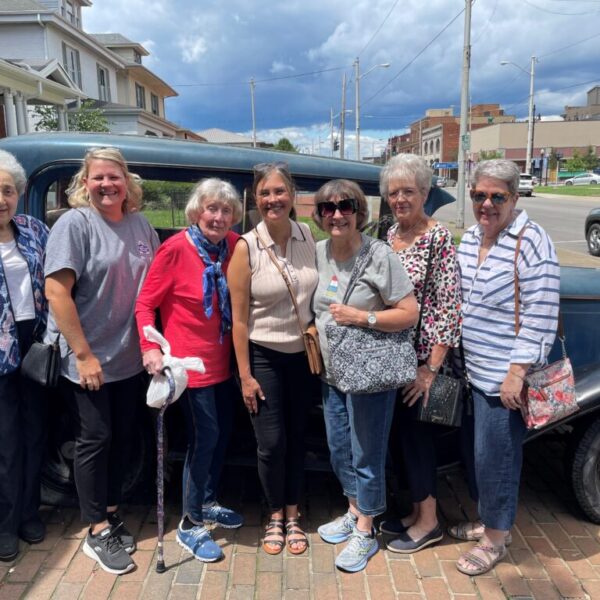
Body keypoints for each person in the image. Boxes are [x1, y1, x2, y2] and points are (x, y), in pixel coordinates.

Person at [44, 147, 159, 575]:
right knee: (94, 442)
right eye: (98, 178)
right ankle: (94, 532)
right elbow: (57, 292)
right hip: (89, 360)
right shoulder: (76, 224)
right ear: (85, 183)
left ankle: (109, 515)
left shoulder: (140, 224)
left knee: (124, 440)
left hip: (131, 358)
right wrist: (84, 354)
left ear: (127, 182)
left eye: (114, 177)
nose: (107, 185)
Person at [452, 159, 559, 575]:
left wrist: (517, 371)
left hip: (504, 376)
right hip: (472, 371)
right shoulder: (471, 238)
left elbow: (541, 310)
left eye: (498, 196)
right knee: (478, 455)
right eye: (479, 195)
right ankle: (488, 519)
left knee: (497, 456)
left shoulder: (531, 240)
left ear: (515, 198)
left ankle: (496, 537)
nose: (487, 204)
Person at [312, 179, 419, 572]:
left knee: (366, 454)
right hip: (332, 372)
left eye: (346, 206)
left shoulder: (379, 255)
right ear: (320, 215)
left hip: (369, 373)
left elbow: (409, 313)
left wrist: (363, 316)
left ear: (359, 211)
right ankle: (355, 510)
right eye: (328, 207)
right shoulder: (320, 252)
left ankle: (367, 529)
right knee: (339, 448)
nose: (337, 214)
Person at [135, 178, 243, 563]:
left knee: (222, 434)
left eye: (226, 210)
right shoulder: (176, 249)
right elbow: (145, 304)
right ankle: (190, 523)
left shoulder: (233, 247)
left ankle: (208, 500)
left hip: (224, 363)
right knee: (205, 439)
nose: (218, 216)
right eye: (211, 208)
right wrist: (150, 348)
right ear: (196, 211)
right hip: (188, 367)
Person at [228, 162, 318, 556]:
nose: (273, 200)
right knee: (271, 443)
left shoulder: (308, 235)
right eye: (265, 193)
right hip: (263, 356)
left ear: (293, 195)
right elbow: (239, 318)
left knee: (298, 439)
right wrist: (245, 376)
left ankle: (294, 515)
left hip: (303, 356)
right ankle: (274, 515)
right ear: (255, 198)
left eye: (280, 191)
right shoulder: (246, 246)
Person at [376, 154, 462, 553]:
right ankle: (415, 511)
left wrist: (430, 369)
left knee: (418, 438)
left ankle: (430, 522)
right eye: (393, 193)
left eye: (408, 191)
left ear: (425, 193)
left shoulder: (437, 237)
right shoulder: (389, 234)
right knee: (400, 438)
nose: (399, 199)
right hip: (391, 359)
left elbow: (448, 306)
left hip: (422, 363)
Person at [0, 150, 49, 562]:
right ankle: (5, 523)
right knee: (5, 443)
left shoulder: (33, 229)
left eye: (8, 190)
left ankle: (30, 512)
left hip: (32, 344)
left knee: (35, 434)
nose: (1, 198)